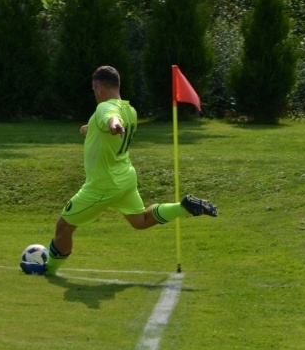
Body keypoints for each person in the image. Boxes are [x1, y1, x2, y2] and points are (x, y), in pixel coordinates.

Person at [22, 65, 218, 275]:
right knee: (140, 221)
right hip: (125, 178)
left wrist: (113, 125)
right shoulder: (130, 110)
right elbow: (109, 123)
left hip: (103, 185)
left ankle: (48, 270)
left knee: (64, 226)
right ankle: (184, 207)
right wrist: (92, 129)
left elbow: (111, 118)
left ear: (98, 87)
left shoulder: (105, 109)